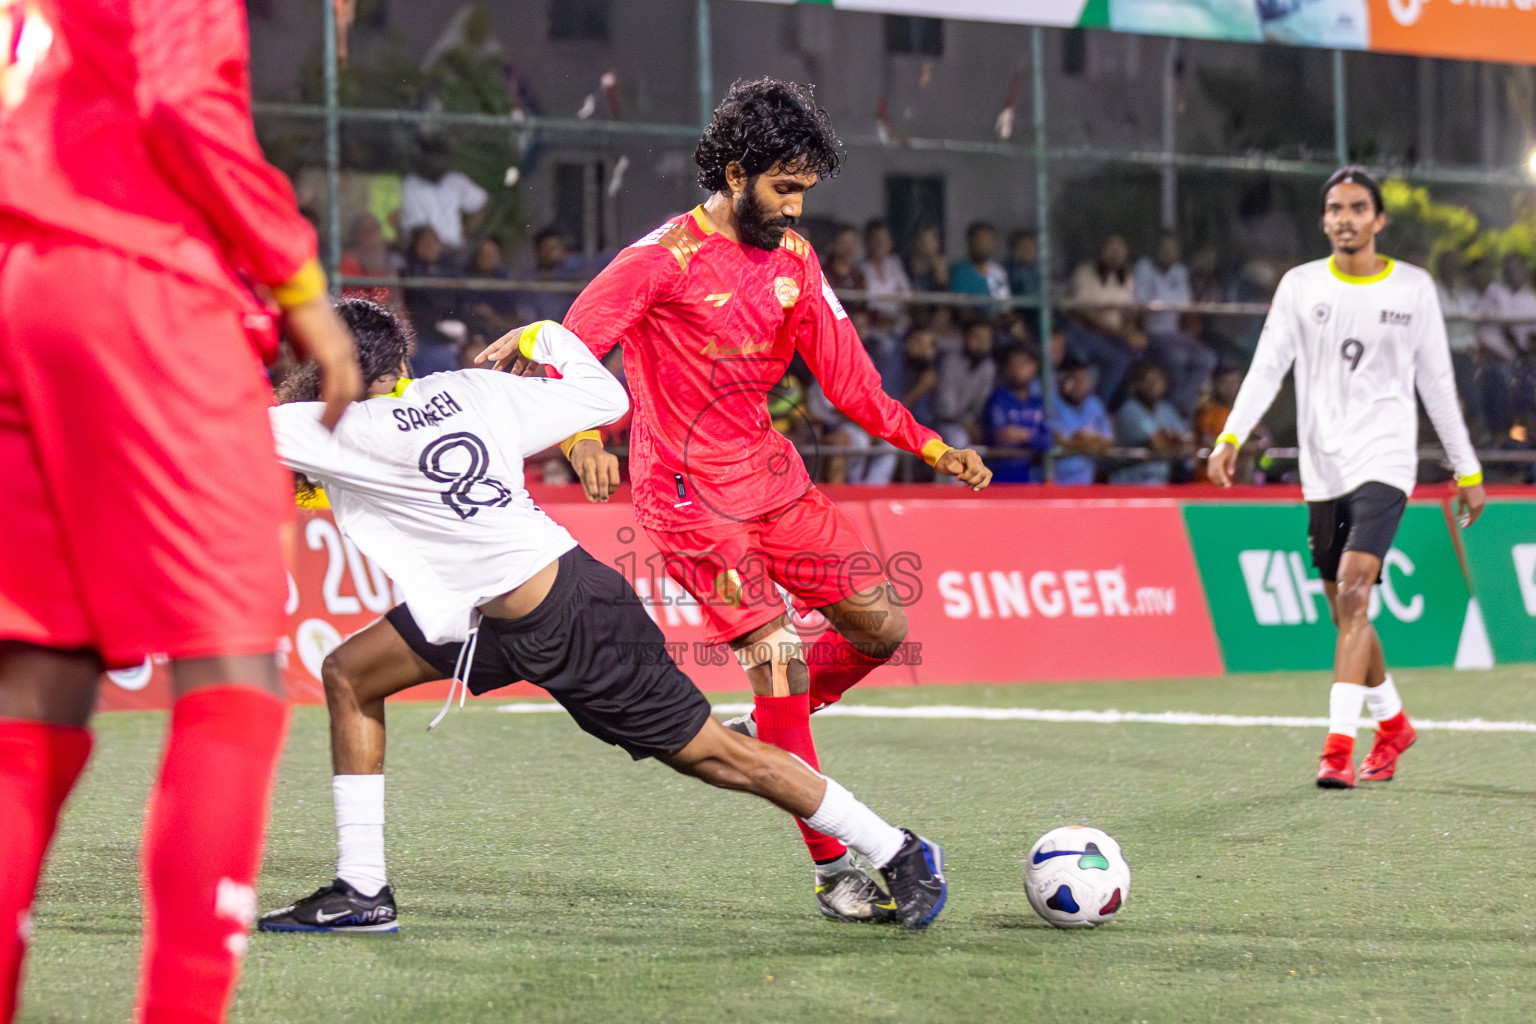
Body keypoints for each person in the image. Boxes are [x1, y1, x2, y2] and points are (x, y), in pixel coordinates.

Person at [258, 305, 948, 934]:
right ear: (401, 363)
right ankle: (363, 889)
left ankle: (898, 849)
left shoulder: (331, 428)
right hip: (513, 606)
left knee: (719, 755)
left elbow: (216, 427)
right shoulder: (471, 388)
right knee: (350, 673)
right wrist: (542, 336)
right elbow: (605, 397)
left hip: (573, 626)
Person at [478, 78, 990, 921]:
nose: (795, 208)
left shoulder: (795, 261)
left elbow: (850, 378)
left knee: (883, 627)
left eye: (804, 192)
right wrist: (583, 440)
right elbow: (572, 345)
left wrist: (931, 446)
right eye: (785, 188)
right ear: (739, 169)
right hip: (686, 498)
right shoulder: (662, 257)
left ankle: (773, 727)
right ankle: (837, 874)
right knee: (780, 653)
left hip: (773, 479)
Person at [0, 2, 361, 1022]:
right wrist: (299, 285)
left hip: (19, 287)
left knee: (36, 682)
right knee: (233, 669)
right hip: (138, 285)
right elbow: (175, 94)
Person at [1208, 166, 1485, 790]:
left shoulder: (1413, 289)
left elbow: (1437, 382)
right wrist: (1230, 435)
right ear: (1324, 219)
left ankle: (1337, 750)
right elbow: (1266, 368)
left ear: (1379, 219)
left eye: (1358, 207)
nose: (1345, 217)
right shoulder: (1301, 286)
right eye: (1335, 208)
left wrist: (1467, 468)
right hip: (1322, 467)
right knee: (1344, 612)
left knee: (1357, 592)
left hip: (1386, 460)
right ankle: (1393, 723)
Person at [1134, 233, 1218, 416]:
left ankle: (1175, 407)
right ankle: (1178, 414)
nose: (1167, 253)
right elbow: (1140, 308)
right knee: (1177, 358)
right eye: (1164, 249)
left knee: (1207, 358)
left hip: (1174, 333)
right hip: (1152, 333)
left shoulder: (1180, 272)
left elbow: (1185, 307)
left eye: (1172, 249)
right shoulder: (1144, 268)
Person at [1068, 235, 1146, 405]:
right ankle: (1097, 407)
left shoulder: (1126, 278)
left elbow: (1128, 312)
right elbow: (1083, 315)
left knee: (1141, 353)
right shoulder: (1085, 272)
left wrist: (1131, 332)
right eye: (1111, 249)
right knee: (1119, 359)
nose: (1115, 254)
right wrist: (1122, 334)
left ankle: (1122, 407)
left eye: (1120, 250)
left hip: (1113, 335)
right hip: (1085, 332)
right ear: (1101, 251)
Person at [398, 136, 488, 252]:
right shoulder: (409, 184)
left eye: (441, 158)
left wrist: (466, 234)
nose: (438, 163)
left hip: (451, 249)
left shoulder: (454, 180)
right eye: (433, 159)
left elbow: (482, 204)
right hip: (418, 251)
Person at [1110, 363, 1193, 485]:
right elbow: (1157, 443)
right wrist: (1174, 442)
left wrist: (1175, 441)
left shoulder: (1166, 409)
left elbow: (1187, 441)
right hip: (1130, 483)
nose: (1154, 385)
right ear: (1136, 385)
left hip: (1160, 481)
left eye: (1158, 380)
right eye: (1149, 381)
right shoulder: (1129, 409)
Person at [983, 346, 1052, 483]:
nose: (1018, 369)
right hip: (998, 473)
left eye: (1024, 363)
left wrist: (1026, 436)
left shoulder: (1037, 403)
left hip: (1030, 474)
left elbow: (1048, 440)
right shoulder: (998, 400)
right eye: (1013, 364)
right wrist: (1032, 436)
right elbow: (1003, 436)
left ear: (1034, 367)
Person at [400, 225, 463, 375]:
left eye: (434, 241)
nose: (430, 246)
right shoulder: (407, 272)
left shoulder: (450, 270)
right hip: (422, 338)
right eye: (424, 242)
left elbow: (461, 305)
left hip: (453, 337)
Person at [934, 319, 998, 450]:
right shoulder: (951, 361)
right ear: (966, 337)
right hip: (940, 423)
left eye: (986, 338)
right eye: (976, 337)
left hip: (968, 424)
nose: (982, 343)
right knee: (959, 441)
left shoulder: (988, 366)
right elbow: (945, 407)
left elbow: (981, 403)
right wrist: (966, 425)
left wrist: (975, 425)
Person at [1050, 359, 1113, 485]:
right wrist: (1088, 442)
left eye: (1084, 380)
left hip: (1085, 482)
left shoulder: (1093, 403)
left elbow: (1107, 442)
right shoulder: (1051, 403)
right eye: (1074, 380)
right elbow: (1059, 441)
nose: (1080, 385)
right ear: (1062, 381)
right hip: (1056, 482)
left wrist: (1080, 441)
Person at [861, 219, 912, 332]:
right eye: (876, 239)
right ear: (868, 241)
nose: (881, 243)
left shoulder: (895, 263)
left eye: (884, 239)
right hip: (872, 325)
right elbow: (865, 302)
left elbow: (907, 294)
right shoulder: (860, 268)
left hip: (897, 322)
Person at [949, 221, 1010, 316]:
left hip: (997, 323)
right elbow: (962, 309)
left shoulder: (999, 271)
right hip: (974, 324)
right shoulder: (960, 271)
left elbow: (1004, 305)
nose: (984, 244)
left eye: (988, 240)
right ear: (970, 242)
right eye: (981, 239)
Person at [1007, 229, 1041, 302]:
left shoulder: (1037, 271)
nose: (1029, 251)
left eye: (1032, 247)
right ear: (1014, 250)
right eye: (1025, 247)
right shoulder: (1013, 273)